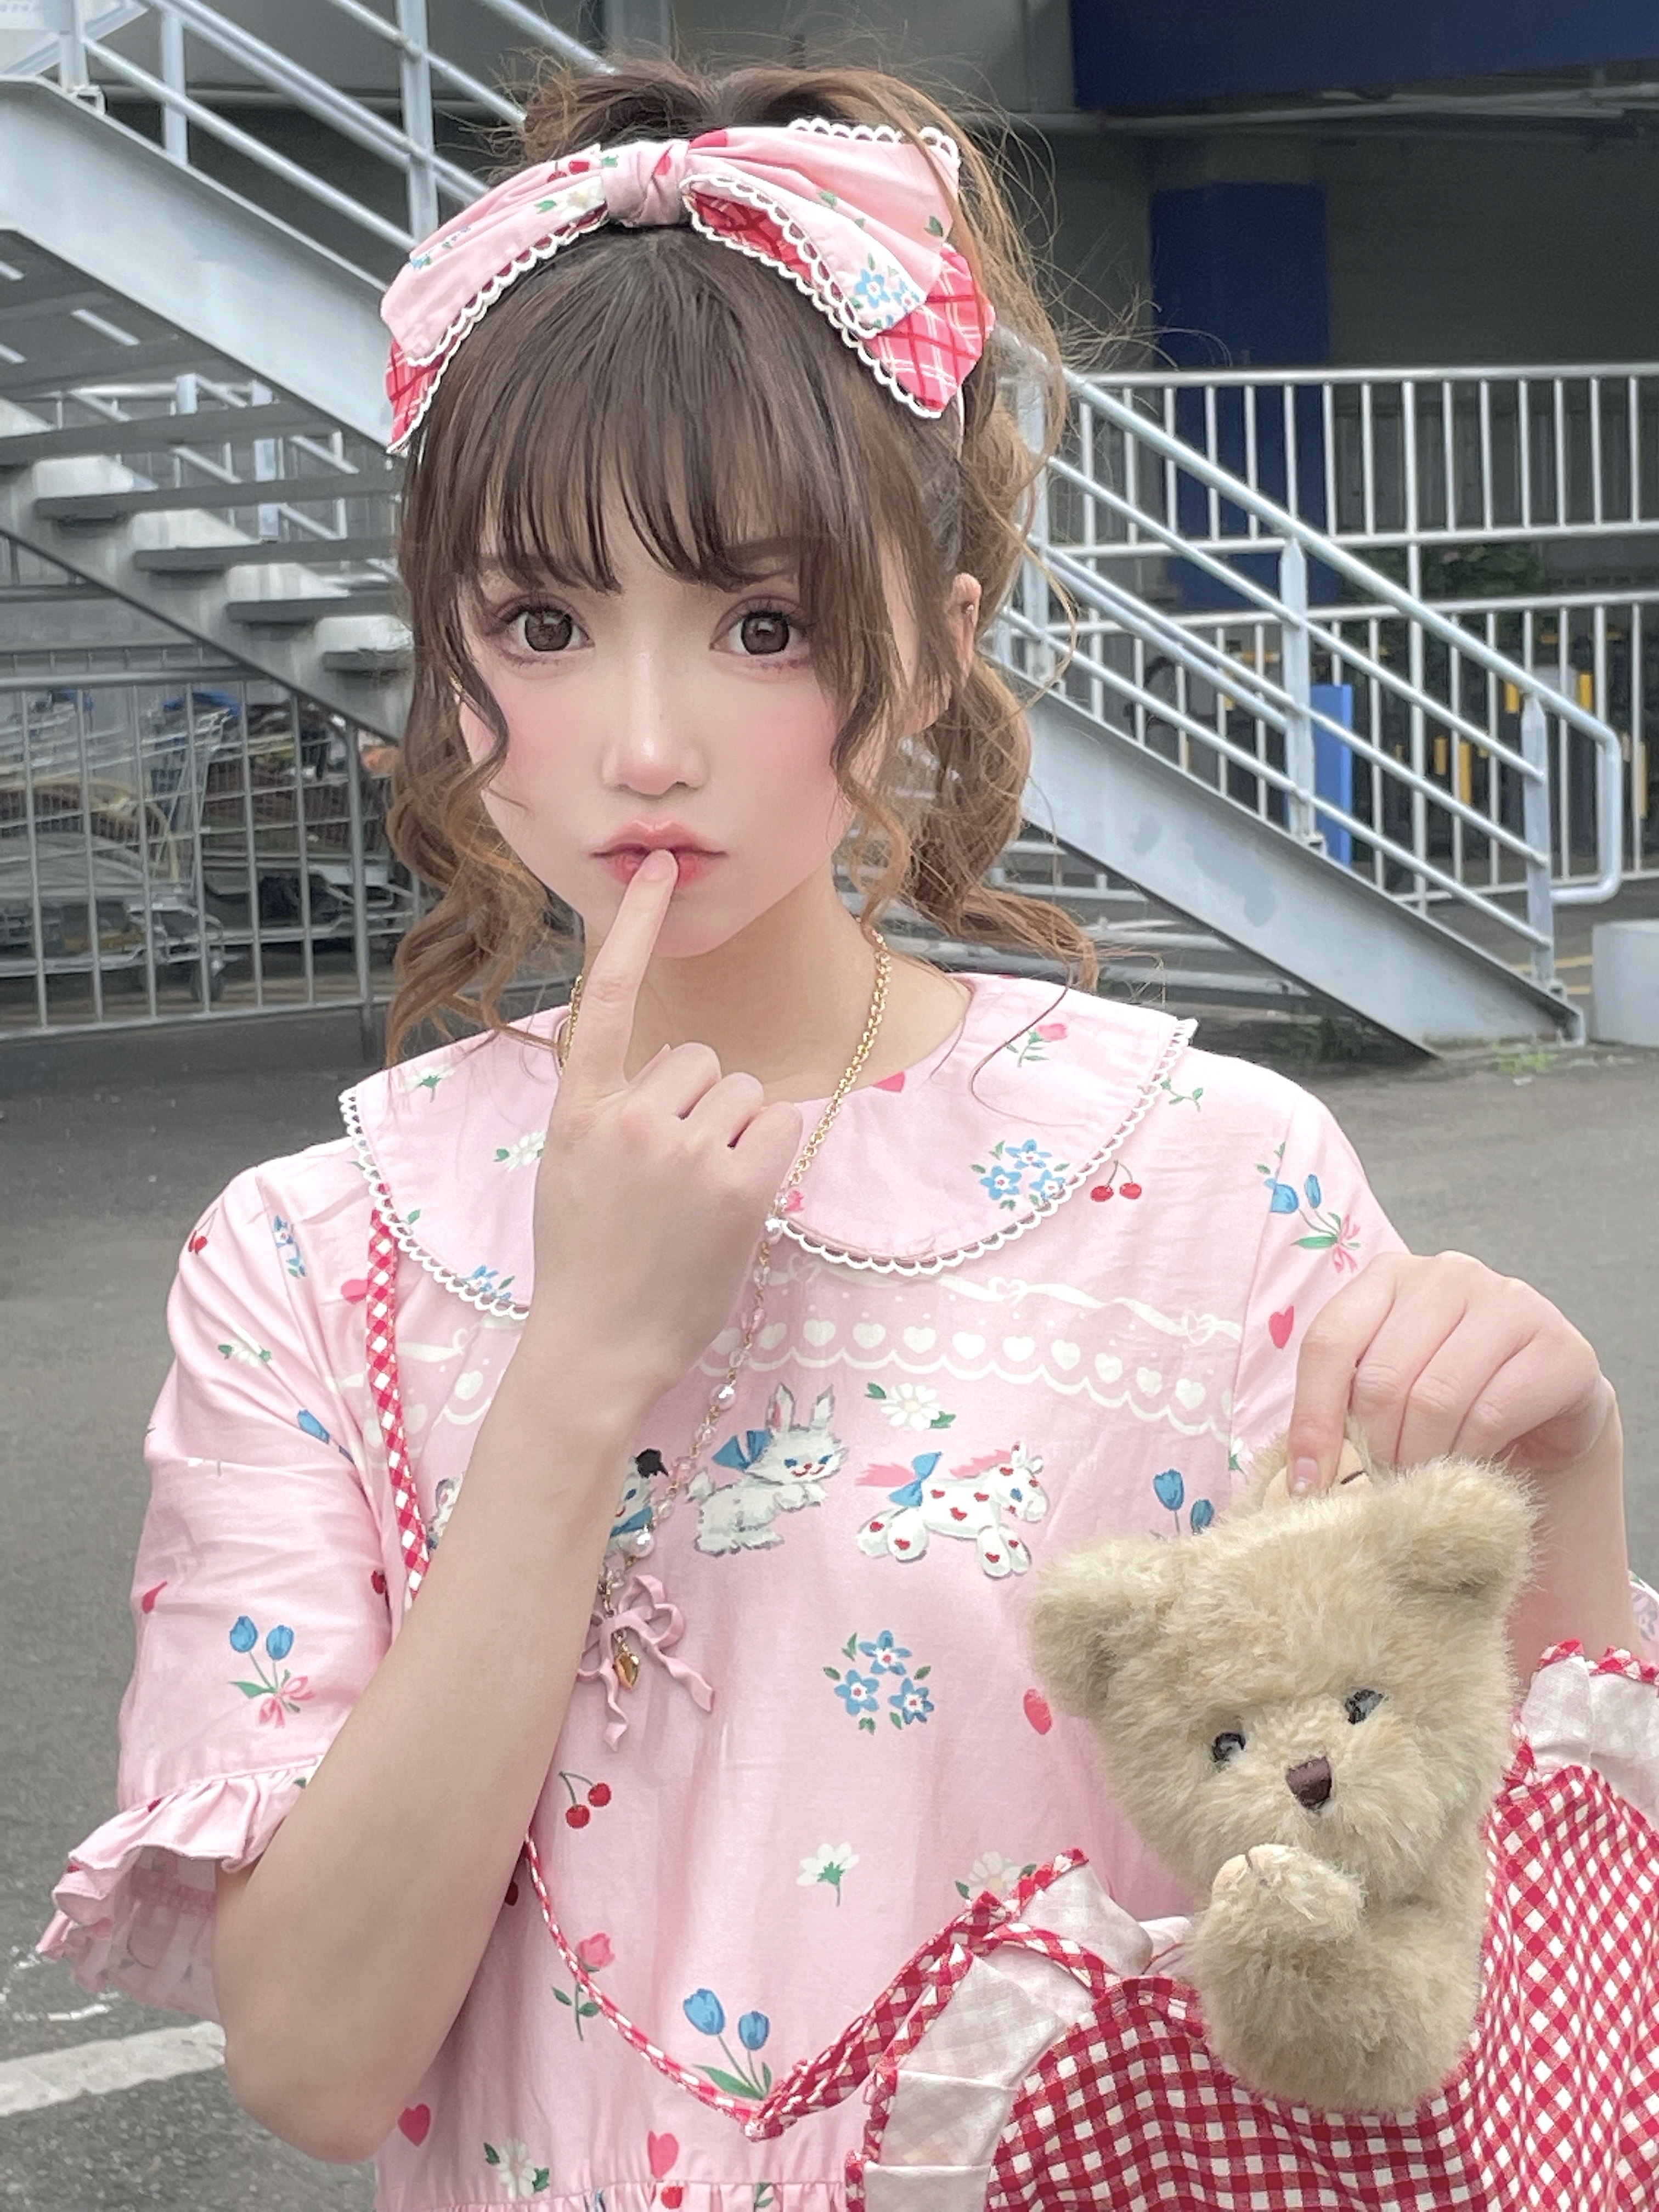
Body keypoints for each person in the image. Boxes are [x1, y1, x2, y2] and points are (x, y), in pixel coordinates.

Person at [41, 55, 1650, 2212]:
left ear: (934, 652)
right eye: (542, 623)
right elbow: (319, 2061)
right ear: (446, 653)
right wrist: (581, 1371)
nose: (643, 742)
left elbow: (1421, 1881)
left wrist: (1563, 1495)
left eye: (764, 625)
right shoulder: (313, 1253)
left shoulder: (1207, 1176)